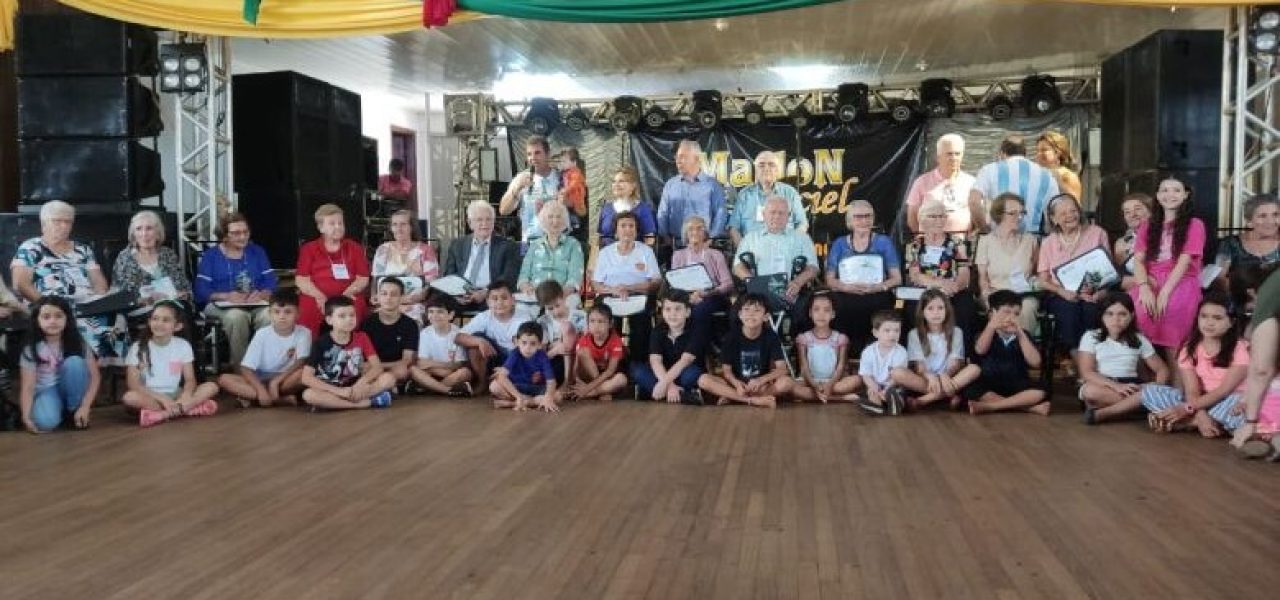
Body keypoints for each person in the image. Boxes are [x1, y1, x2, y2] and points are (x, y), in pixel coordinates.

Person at [10, 200, 119, 360]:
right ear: (44, 224)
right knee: (73, 319)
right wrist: (49, 305)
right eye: (57, 221)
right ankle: (79, 363)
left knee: (115, 316)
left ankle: (106, 366)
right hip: (47, 304)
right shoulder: (30, 248)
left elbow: (99, 283)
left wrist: (99, 302)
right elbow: (20, 284)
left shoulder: (83, 249)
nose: (63, 226)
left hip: (84, 304)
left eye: (68, 222)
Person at [1141, 293, 1250, 436]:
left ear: (1231, 322)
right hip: (1199, 400)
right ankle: (1203, 422)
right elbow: (1192, 390)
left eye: (1217, 318)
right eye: (1204, 316)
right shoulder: (1189, 349)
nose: (1209, 323)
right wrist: (1199, 413)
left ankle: (1188, 423)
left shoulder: (1240, 348)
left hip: (1229, 399)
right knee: (1150, 391)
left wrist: (1186, 408)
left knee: (1238, 406)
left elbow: (1223, 390)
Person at [1130, 175, 1206, 373]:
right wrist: (1144, 287)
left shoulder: (1195, 224)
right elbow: (1138, 260)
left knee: (1172, 311)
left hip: (1181, 279)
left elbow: (1184, 261)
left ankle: (1177, 382)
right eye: (1164, 190)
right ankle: (1146, 380)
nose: (1170, 194)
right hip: (1151, 278)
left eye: (1176, 190)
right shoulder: (1147, 225)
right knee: (1137, 309)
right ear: (1157, 195)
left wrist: (1164, 293)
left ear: (1185, 195)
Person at [195, 212, 277, 368]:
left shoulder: (257, 252)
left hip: (255, 303)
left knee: (269, 315)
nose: (243, 237)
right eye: (236, 233)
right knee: (237, 317)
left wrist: (262, 293)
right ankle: (241, 368)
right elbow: (201, 290)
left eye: (246, 232)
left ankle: (264, 366)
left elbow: (271, 282)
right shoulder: (211, 256)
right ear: (224, 236)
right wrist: (226, 296)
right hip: (221, 304)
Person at [1036, 193, 1112, 361]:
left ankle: (1093, 360)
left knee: (1090, 310)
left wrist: (1099, 292)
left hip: (1093, 290)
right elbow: (1043, 280)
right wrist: (1062, 292)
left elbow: (1107, 270)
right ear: (1054, 219)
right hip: (1061, 294)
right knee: (1069, 311)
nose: (1070, 216)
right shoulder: (1049, 242)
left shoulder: (1097, 233)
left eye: (1073, 210)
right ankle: (1080, 363)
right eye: (1063, 213)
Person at [122, 301, 220, 427]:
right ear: (149, 322)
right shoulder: (137, 347)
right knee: (130, 397)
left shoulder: (183, 345)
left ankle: (164, 414)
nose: (159, 323)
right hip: (151, 396)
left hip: (176, 394)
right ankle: (188, 409)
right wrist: (163, 399)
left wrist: (186, 395)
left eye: (166, 320)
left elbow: (190, 379)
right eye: (155, 319)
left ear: (177, 326)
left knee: (211, 386)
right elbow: (134, 384)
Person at [1078, 292, 1170, 425]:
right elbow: (1087, 372)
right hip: (1105, 383)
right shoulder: (1091, 336)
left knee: (1156, 392)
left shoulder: (1139, 339)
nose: (1116, 319)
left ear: (1131, 316)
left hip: (1132, 386)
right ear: (1102, 316)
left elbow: (1162, 369)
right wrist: (1117, 386)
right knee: (1089, 391)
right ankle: (1138, 408)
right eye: (1109, 314)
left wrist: (1157, 385)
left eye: (1122, 314)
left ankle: (1106, 412)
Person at [733, 196, 820, 332]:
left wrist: (798, 282)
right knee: (734, 315)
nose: (777, 216)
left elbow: (813, 268)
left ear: (788, 216)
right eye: (772, 212)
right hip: (758, 291)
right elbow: (738, 266)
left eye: (781, 213)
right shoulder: (751, 238)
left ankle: (796, 345)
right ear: (764, 215)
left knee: (805, 313)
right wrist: (753, 283)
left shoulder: (802, 238)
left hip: (791, 290)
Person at [825, 200, 901, 349]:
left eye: (868, 216)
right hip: (846, 295)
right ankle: (846, 354)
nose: (864, 220)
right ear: (850, 220)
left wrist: (877, 287)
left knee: (883, 306)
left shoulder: (884, 242)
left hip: (877, 294)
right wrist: (845, 287)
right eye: (858, 217)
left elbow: (897, 278)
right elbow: (829, 280)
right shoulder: (839, 244)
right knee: (839, 307)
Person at [17, 296, 99, 432]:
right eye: (46, 317)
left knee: (75, 362)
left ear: (67, 319)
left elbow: (95, 378)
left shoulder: (79, 342)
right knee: (45, 423)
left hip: (72, 388)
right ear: (37, 321)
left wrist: (85, 407)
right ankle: (58, 411)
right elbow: (28, 387)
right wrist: (25, 416)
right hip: (46, 390)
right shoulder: (31, 348)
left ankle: (73, 411)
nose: (53, 321)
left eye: (58, 316)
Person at [216, 289, 309, 408]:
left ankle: (257, 399)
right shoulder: (262, 334)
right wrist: (260, 389)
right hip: (260, 378)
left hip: (285, 379)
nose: (282, 317)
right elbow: (246, 368)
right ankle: (278, 399)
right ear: (270, 313)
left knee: (303, 373)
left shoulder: (304, 333)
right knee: (224, 379)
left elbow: (301, 361)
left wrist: (276, 382)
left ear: (298, 313)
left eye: (288, 312)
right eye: (277, 312)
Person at [300, 296, 396, 411]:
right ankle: (363, 403)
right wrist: (339, 391)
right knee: (308, 395)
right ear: (329, 320)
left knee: (389, 378)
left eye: (352, 315)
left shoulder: (362, 337)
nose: (349, 319)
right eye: (342, 316)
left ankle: (337, 403)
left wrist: (360, 384)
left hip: (355, 387)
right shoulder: (320, 343)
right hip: (332, 389)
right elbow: (306, 377)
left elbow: (377, 367)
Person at [698, 293, 793, 408]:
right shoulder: (731, 337)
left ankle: (735, 398)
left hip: (760, 386)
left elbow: (782, 369)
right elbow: (726, 371)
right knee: (703, 380)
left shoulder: (771, 336)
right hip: (736, 385)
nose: (751, 314)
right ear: (740, 315)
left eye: (757, 310)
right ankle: (753, 400)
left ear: (766, 316)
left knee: (787, 382)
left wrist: (761, 380)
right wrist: (736, 383)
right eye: (746, 310)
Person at [964, 290, 1049, 416]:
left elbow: (1035, 362)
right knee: (971, 388)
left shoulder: (1023, 335)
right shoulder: (984, 333)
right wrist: (991, 326)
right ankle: (1029, 408)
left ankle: (990, 406)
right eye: (1006, 312)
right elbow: (980, 350)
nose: (1011, 317)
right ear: (992, 313)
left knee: (1043, 389)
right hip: (990, 383)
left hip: (1017, 382)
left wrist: (1019, 333)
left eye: (1016, 314)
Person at [893, 289, 981, 410]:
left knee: (974, 369)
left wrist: (944, 375)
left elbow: (955, 364)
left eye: (940, 308)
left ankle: (923, 400)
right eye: (930, 308)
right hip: (926, 380)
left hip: (950, 378)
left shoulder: (956, 331)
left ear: (947, 310)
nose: (936, 313)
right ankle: (947, 396)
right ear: (922, 312)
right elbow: (920, 367)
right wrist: (931, 377)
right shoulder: (914, 334)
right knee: (897, 373)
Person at [903, 199, 977, 342]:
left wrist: (955, 287)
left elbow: (964, 273)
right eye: (933, 216)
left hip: (952, 290)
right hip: (924, 291)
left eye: (942, 216)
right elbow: (915, 275)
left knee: (966, 305)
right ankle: (919, 350)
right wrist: (941, 284)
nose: (939, 220)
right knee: (911, 307)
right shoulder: (915, 245)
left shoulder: (957, 243)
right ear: (922, 219)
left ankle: (962, 350)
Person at [592, 212, 661, 359]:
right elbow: (596, 283)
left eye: (631, 226)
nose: (627, 229)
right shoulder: (605, 253)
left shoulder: (646, 251)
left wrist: (629, 288)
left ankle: (638, 362)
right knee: (606, 319)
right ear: (616, 231)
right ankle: (611, 359)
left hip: (639, 295)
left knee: (641, 323)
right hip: (611, 295)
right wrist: (613, 290)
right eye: (623, 226)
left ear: (636, 230)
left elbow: (655, 282)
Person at [295, 204, 370, 336]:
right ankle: (310, 346)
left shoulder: (355, 248)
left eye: (340, 223)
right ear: (321, 227)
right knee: (308, 308)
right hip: (317, 295)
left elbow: (363, 278)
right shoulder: (309, 249)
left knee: (355, 305)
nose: (338, 227)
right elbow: (302, 279)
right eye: (332, 223)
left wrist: (346, 294)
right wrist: (320, 296)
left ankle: (353, 344)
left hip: (348, 293)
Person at [1229, 267, 1280, 458]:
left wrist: (1250, 423)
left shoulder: (1268, 296)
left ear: (1251, 293)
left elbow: (1261, 369)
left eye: (1249, 310)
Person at [974, 193, 1040, 333]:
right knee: (1001, 310)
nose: (1019, 217)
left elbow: (1037, 272)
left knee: (1027, 308)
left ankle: (1025, 344)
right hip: (997, 293)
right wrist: (986, 294)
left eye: (1022, 213)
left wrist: (1035, 284)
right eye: (1012, 213)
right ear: (999, 215)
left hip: (1023, 295)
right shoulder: (986, 242)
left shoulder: (1030, 240)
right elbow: (982, 278)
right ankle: (1004, 346)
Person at [457, 280, 536, 395]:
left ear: (513, 300)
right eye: (494, 299)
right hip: (495, 358)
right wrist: (479, 341)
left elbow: (529, 350)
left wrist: (507, 369)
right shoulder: (484, 316)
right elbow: (458, 337)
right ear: (488, 302)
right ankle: (482, 382)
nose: (499, 302)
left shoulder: (524, 318)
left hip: (517, 360)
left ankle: (511, 384)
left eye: (504, 298)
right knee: (476, 340)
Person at [442, 200, 522, 312]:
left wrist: (486, 292)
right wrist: (456, 293)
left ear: (494, 222)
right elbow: (449, 273)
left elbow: (509, 276)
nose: (484, 224)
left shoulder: (508, 246)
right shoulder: (458, 244)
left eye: (489, 219)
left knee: (498, 301)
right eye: (479, 220)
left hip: (491, 294)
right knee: (437, 301)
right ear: (470, 223)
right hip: (461, 293)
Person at [971, 135, 1060, 233]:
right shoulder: (1046, 175)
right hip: (1032, 238)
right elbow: (1055, 211)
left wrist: (984, 230)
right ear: (1025, 153)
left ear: (1002, 153)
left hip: (999, 236)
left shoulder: (989, 170)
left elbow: (974, 202)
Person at [631, 291, 707, 405]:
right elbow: (655, 361)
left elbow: (685, 361)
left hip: (683, 371)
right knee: (637, 370)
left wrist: (663, 384)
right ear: (662, 312)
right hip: (662, 373)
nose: (673, 314)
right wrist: (669, 385)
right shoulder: (658, 330)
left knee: (692, 374)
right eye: (668, 309)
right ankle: (684, 395)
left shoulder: (696, 330)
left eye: (678, 309)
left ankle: (653, 392)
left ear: (687, 312)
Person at [670, 215, 733, 341]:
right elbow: (674, 284)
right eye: (691, 229)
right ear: (685, 234)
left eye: (699, 228)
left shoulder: (716, 254)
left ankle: (698, 349)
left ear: (705, 233)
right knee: (676, 310)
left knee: (699, 310)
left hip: (712, 296)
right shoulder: (678, 255)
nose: (695, 232)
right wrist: (688, 297)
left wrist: (706, 293)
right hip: (686, 297)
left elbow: (728, 284)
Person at [112, 210, 191, 308]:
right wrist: (144, 300)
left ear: (158, 233)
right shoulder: (124, 258)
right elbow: (119, 297)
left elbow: (184, 287)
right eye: (138, 229)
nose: (144, 234)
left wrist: (183, 294)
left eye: (149, 228)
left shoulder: (168, 255)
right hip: (139, 311)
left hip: (171, 309)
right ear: (133, 234)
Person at [372, 209, 440, 324]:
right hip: (387, 302)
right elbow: (376, 280)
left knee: (411, 321)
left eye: (403, 224)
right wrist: (375, 295)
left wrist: (413, 298)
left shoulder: (425, 250)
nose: (399, 228)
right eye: (395, 224)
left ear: (411, 227)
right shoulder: (383, 249)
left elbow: (431, 283)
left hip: (414, 302)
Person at [791, 294, 862, 403]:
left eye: (826, 310)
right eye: (816, 309)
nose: (821, 314)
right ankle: (839, 398)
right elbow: (804, 367)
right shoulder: (804, 338)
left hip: (834, 381)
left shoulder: (840, 338)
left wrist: (830, 384)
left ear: (833, 314)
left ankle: (815, 396)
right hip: (810, 381)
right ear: (810, 313)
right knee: (790, 387)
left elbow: (841, 366)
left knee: (857, 380)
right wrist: (814, 385)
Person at [904, 133, 980, 235]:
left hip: (962, 241)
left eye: (957, 154)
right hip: (931, 241)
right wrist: (921, 237)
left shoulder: (972, 182)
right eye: (949, 154)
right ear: (938, 157)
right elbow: (912, 216)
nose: (954, 158)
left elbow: (979, 215)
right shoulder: (922, 182)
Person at [656, 140, 727, 245]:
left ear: (696, 158)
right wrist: (665, 237)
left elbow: (720, 214)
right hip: (674, 245)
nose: (678, 161)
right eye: (677, 157)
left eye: (682, 157)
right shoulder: (670, 185)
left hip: (704, 245)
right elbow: (662, 213)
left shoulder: (712, 185)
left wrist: (711, 239)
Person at [729, 151, 807, 245]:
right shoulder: (744, 195)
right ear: (756, 170)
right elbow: (733, 228)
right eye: (761, 165)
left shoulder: (790, 193)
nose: (766, 169)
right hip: (753, 250)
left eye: (771, 165)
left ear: (777, 170)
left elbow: (802, 223)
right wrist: (744, 250)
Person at [517, 201, 584, 307]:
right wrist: (527, 288)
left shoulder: (573, 244)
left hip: (563, 295)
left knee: (566, 307)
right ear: (543, 220)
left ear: (565, 220)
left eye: (558, 217)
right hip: (535, 294)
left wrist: (560, 294)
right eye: (550, 217)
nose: (555, 221)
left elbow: (575, 277)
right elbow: (523, 276)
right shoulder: (534, 245)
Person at [499, 135, 560, 244]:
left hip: (557, 243)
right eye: (529, 154)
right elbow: (503, 210)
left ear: (548, 154)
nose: (533, 158)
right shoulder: (520, 178)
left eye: (537, 153)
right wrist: (517, 188)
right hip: (530, 243)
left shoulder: (560, 178)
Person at [409, 295, 473, 396]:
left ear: (451, 315)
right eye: (431, 311)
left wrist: (434, 366)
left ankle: (428, 389)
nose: (435, 316)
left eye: (440, 312)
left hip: (451, 374)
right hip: (432, 374)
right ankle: (447, 390)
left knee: (465, 373)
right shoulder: (425, 333)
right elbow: (422, 363)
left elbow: (459, 364)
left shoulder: (458, 334)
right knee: (413, 370)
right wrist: (444, 368)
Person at [361, 278, 419, 386]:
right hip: (372, 368)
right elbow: (363, 358)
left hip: (395, 369)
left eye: (394, 294)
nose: (388, 298)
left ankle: (383, 387)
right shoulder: (367, 323)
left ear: (402, 297)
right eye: (384, 293)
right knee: (363, 369)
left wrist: (381, 367)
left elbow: (406, 360)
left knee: (402, 371)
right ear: (378, 296)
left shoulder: (410, 325)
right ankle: (387, 388)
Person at [491, 321, 560, 412]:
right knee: (494, 386)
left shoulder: (542, 357)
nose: (528, 347)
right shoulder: (515, 354)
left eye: (533, 344)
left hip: (536, 388)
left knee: (558, 396)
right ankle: (526, 401)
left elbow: (551, 382)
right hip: (517, 387)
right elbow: (501, 376)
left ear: (539, 345)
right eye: (524, 343)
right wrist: (518, 396)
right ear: (517, 342)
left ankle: (512, 403)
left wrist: (548, 397)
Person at [1214, 193, 1279, 288]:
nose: (1270, 221)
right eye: (1262, 216)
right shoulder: (1231, 243)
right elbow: (1220, 278)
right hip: (1240, 294)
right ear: (1249, 222)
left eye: (1276, 215)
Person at [569, 304, 628, 402]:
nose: (596, 326)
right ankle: (602, 391)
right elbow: (575, 367)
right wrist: (576, 380)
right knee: (583, 352)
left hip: (605, 378)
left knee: (622, 379)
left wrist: (587, 389)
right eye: (592, 321)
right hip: (587, 377)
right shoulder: (584, 339)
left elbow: (610, 371)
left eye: (601, 321)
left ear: (610, 324)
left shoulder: (616, 341)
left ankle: (592, 393)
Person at [856, 310, 910, 416]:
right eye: (887, 330)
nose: (892, 334)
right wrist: (874, 387)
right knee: (871, 393)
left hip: (893, 386)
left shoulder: (901, 352)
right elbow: (866, 375)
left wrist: (886, 390)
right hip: (875, 384)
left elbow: (897, 378)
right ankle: (877, 407)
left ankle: (896, 405)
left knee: (899, 393)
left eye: (896, 331)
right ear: (876, 333)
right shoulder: (868, 351)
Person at [535, 279, 586, 384]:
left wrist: (562, 343)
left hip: (578, 361)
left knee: (566, 328)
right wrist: (556, 350)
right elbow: (542, 353)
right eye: (550, 308)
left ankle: (568, 381)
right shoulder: (542, 322)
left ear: (563, 297)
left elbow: (586, 342)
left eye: (557, 305)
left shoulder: (580, 316)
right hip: (555, 361)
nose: (556, 311)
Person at [597, 166, 657, 248]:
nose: (616, 184)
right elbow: (599, 238)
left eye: (621, 181)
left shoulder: (643, 209)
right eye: (614, 181)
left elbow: (649, 239)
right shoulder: (606, 208)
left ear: (633, 185)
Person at [1115, 193, 1153, 291]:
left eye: (1138, 209)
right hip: (1132, 291)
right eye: (1127, 212)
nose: (1132, 215)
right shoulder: (1121, 243)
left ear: (1151, 212)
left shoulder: (1163, 237)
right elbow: (1121, 277)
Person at [1035, 131, 1083, 202]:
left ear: (1058, 153)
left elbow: (1075, 203)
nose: (1039, 154)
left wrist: (1058, 180)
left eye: (1044, 150)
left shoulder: (1068, 176)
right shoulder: (1039, 176)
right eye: (1037, 150)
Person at [556, 147, 589, 245]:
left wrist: (565, 191)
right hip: (568, 201)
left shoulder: (576, 172)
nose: (562, 163)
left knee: (575, 214)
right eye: (561, 161)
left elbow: (574, 184)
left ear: (574, 162)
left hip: (576, 197)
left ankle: (574, 224)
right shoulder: (563, 174)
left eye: (564, 161)